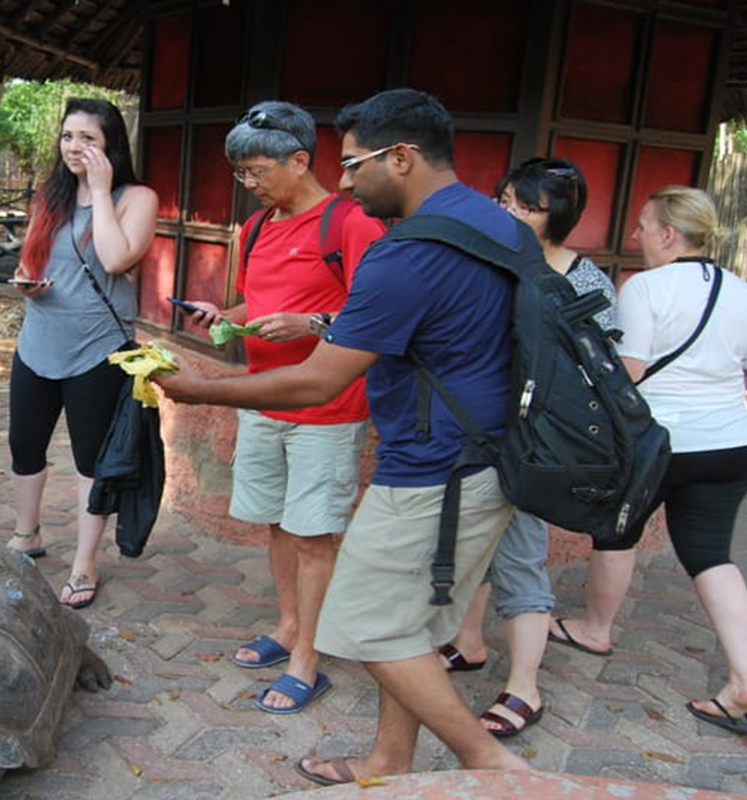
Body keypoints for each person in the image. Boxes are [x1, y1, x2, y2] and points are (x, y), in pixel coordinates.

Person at [155, 88, 528, 781]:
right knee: (407, 624)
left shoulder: (400, 252)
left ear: (404, 157)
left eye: (355, 164)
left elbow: (317, 380)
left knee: (364, 623)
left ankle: (491, 764)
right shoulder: (496, 222)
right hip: (486, 451)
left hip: (434, 465)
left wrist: (195, 388)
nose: (348, 180)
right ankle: (390, 757)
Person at [180, 101, 385, 714]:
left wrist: (313, 321)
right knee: (276, 520)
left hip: (326, 405)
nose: (251, 183)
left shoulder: (350, 223)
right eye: (241, 173)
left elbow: (382, 312)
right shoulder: (257, 228)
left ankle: (309, 659)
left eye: (259, 170)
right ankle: (289, 624)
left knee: (314, 532)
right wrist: (226, 318)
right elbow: (252, 304)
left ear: (301, 160)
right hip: (262, 400)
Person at [548, 186, 747, 735]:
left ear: (670, 234)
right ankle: (744, 676)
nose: (635, 235)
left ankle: (596, 627)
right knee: (711, 553)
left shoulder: (644, 287)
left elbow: (631, 372)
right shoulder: (742, 291)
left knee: (618, 532)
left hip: (659, 443)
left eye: (643, 226)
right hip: (733, 443)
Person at [441, 158, 618, 738]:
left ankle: (525, 688)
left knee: (519, 557)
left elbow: (602, 371)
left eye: (525, 204)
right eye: (504, 199)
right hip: (476, 431)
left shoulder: (585, 281)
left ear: (557, 215)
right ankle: (469, 643)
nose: (508, 212)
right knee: (471, 549)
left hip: (534, 443)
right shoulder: (489, 261)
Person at [7, 98, 159, 609]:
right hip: (37, 339)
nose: (74, 147)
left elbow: (116, 258)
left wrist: (98, 192)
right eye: (68, 136)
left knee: (90, 458)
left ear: (110, 143)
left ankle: (84, 562)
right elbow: (32, 257)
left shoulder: (136, 197)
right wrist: (24, 282)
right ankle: (26, 534)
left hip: (97, 348)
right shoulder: (48, 195)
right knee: (24, 446)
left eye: (87, 138)